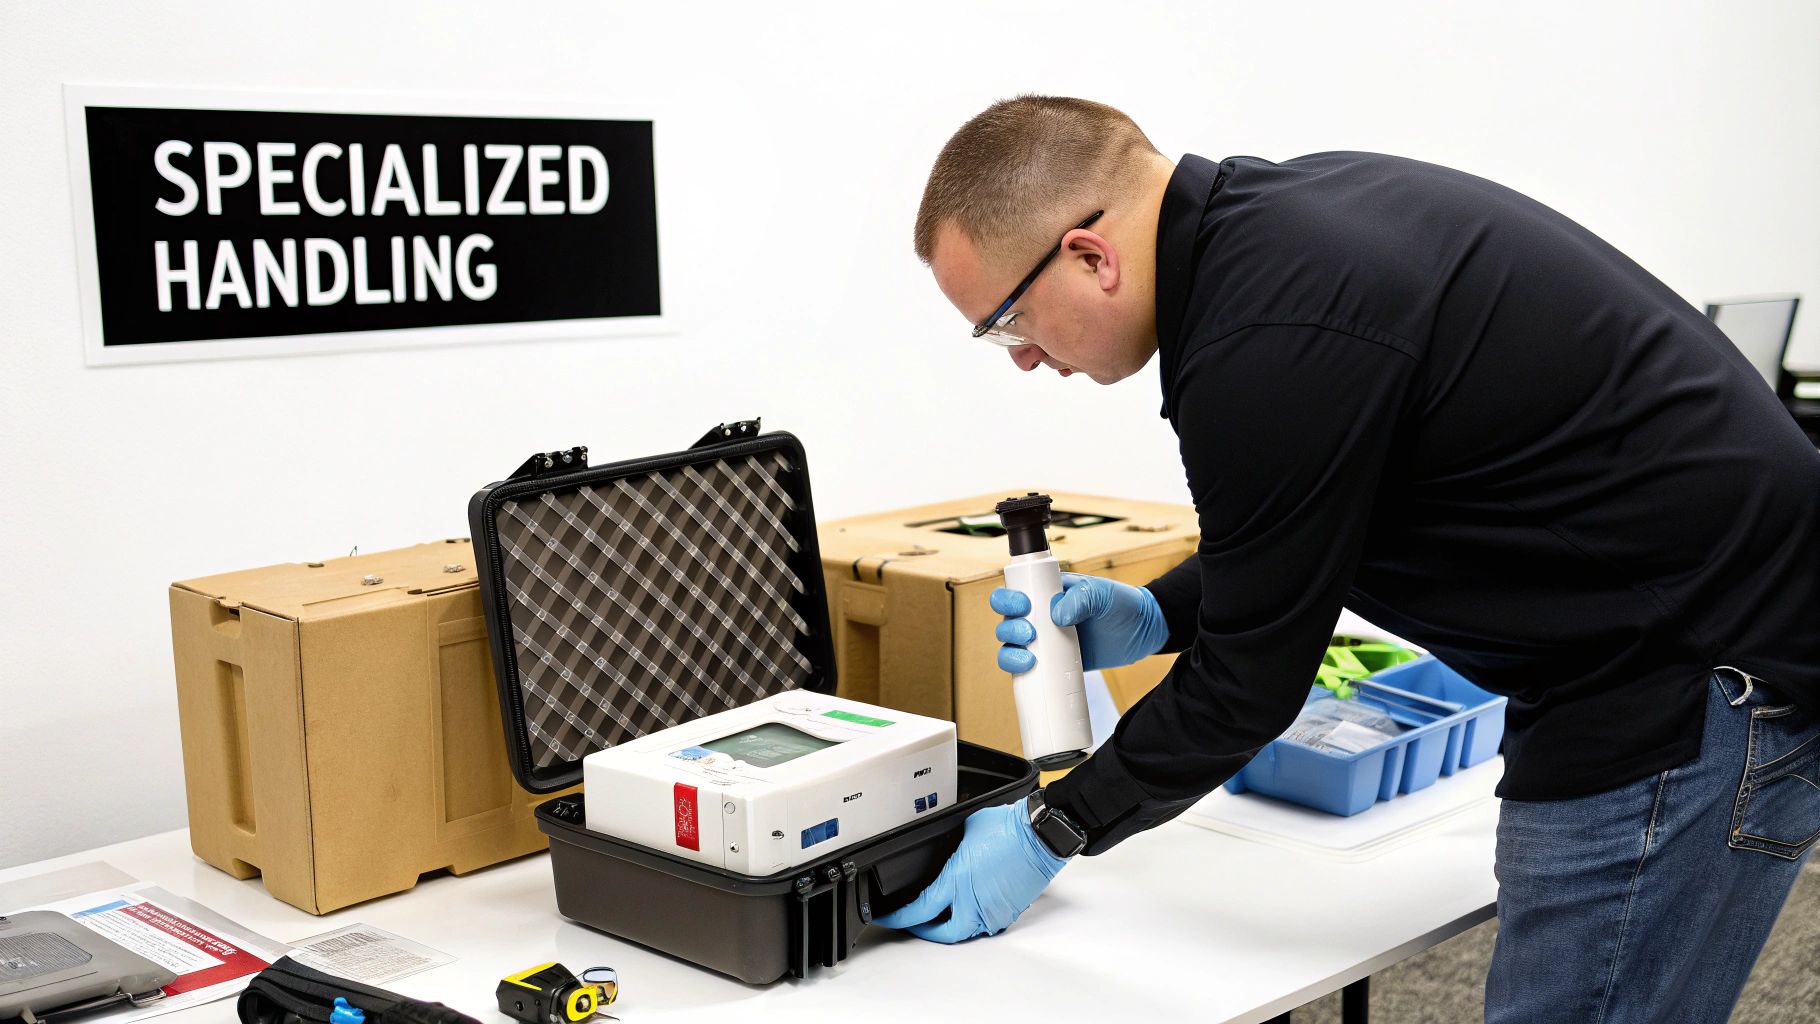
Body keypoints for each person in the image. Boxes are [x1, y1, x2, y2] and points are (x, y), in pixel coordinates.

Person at [873, 95, 1820, 1022]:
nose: (1023, 360)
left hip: (1690, 677)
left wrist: (1053, 829)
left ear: (1089, 255)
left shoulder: (1265, 339)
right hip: (1689, 630)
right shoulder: (1283, 234)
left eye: (1007, 321)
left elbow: (1248, 688)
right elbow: (1319, 512)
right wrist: (1161, 612)